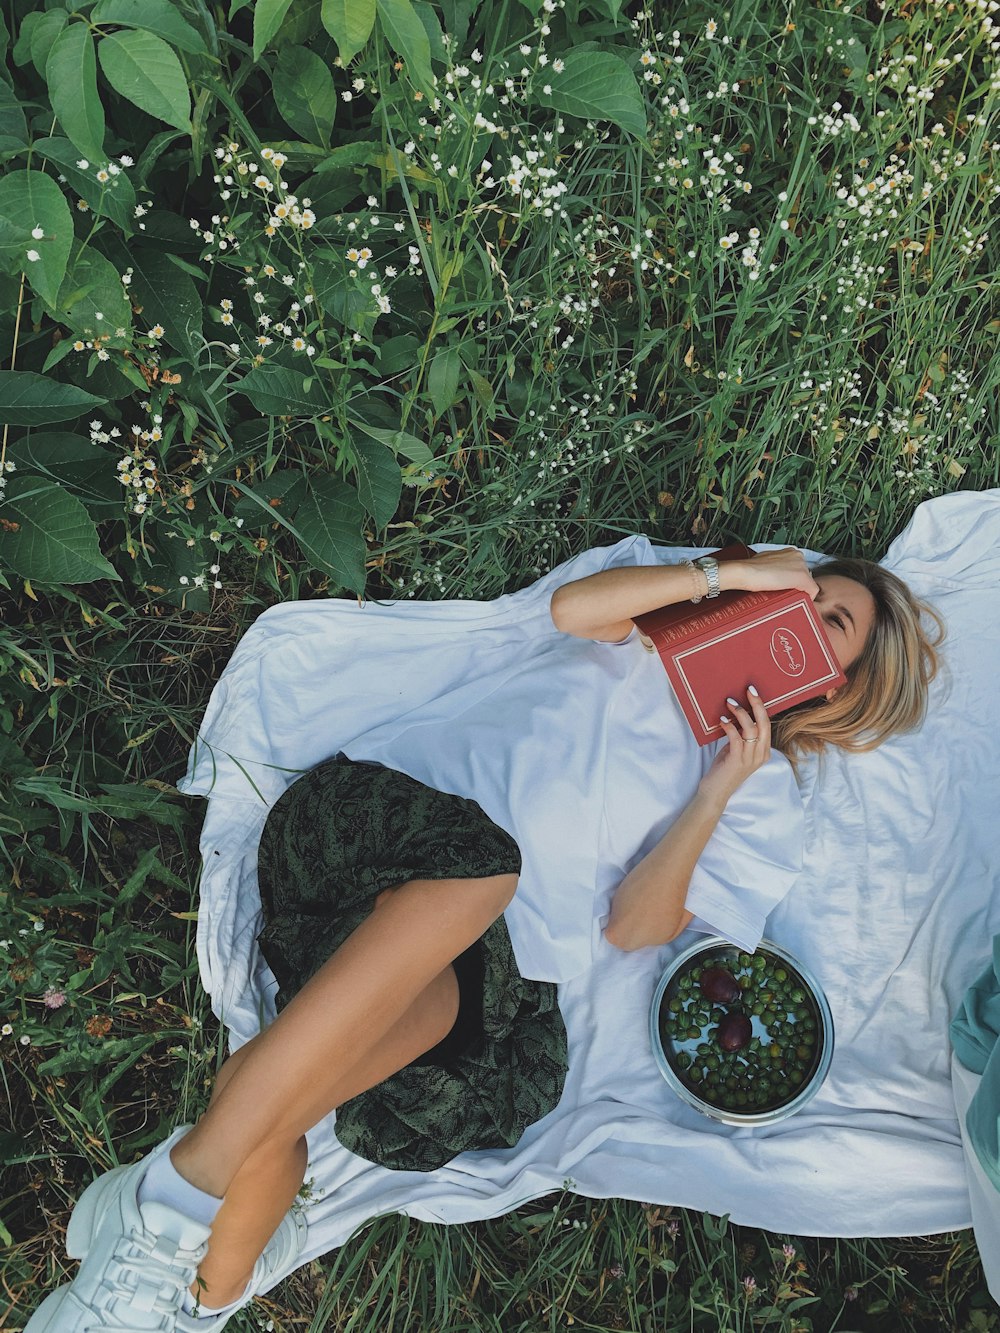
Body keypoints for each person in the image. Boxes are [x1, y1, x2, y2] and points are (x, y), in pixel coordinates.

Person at [25, 545, 941, 1333]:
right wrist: (727, 574)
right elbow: (572, 609)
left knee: (294, 1092)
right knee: (482, 867)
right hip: (381, 832)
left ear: (838, 683)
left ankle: (182, 1281)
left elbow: (636, 926)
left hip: (483, 954)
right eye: (804, 592)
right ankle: (171, 1210)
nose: (799, 611)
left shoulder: (765, 798)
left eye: (828, 621)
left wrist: (717, 790)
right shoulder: (657, 634)